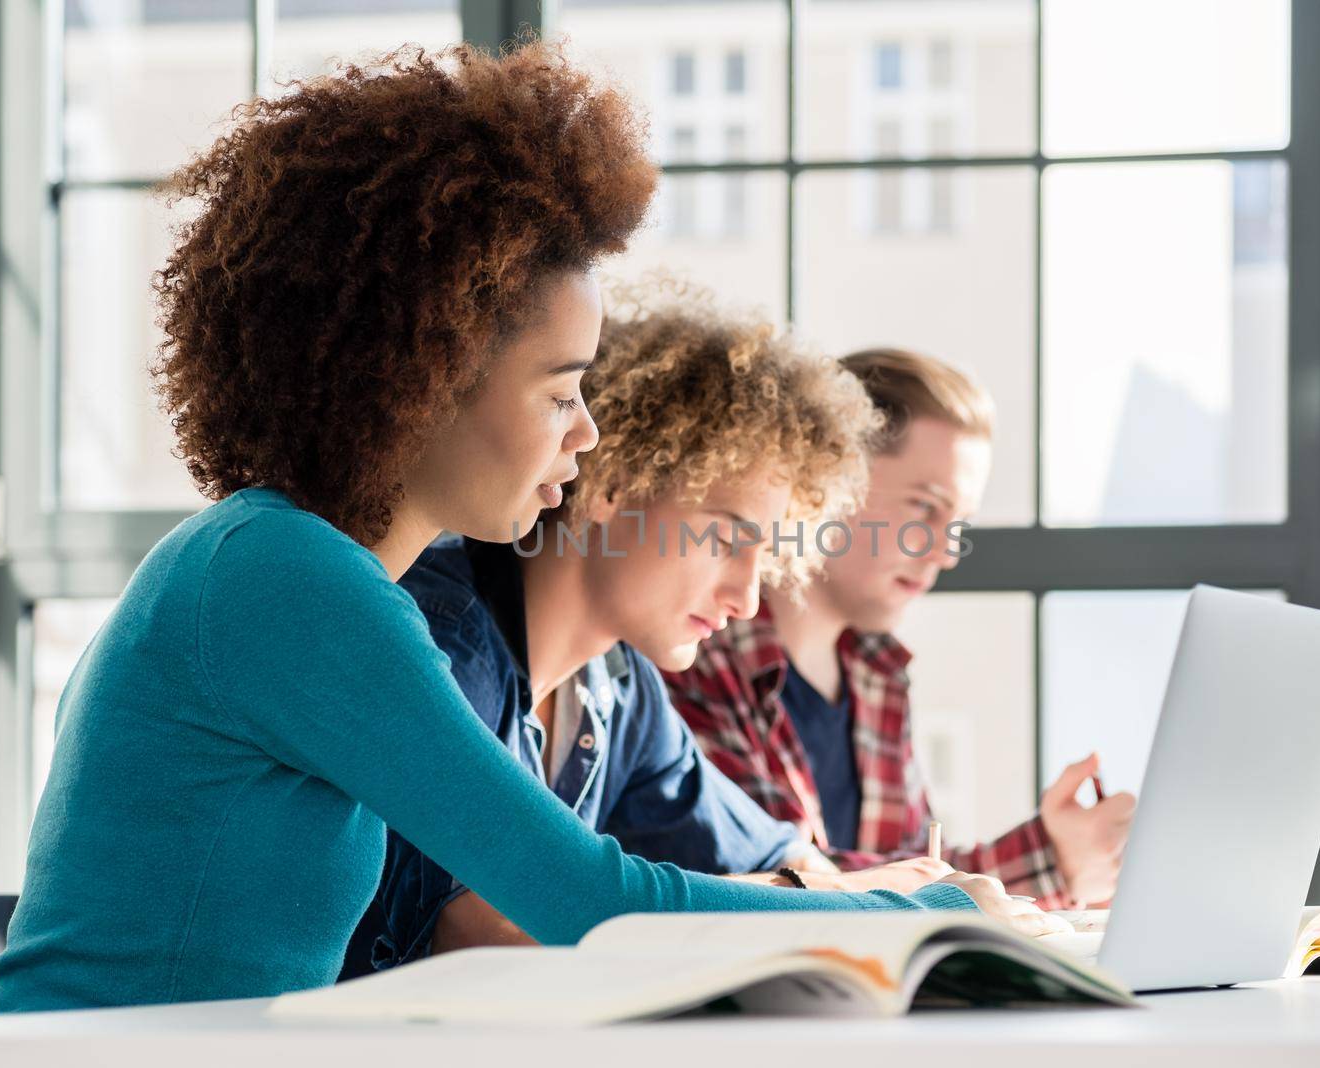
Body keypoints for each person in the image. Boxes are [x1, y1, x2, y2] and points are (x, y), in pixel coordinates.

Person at [0, 47, 1045, 1014]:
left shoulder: (299, 568)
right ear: (422, 378)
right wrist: (922, 921)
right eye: (558, 392)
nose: (588, 433)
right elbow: (585, 897)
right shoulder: (287, 578)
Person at [356, 294, 961, 963]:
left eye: (769, 556)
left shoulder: (618, 688)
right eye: (727, 540)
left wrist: (824, 887)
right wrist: (833, 901)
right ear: (617, 483)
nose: (747, 598)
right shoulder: (442, 637)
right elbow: (487, 931)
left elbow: (783, 853)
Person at [665, 348, 1137, 910]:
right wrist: (1049, 864)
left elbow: (911, 869)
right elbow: (783, 885)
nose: (945, 551)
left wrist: (1061, 860)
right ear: (829, 480)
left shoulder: (877, 673)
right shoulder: (693, 652)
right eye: (924, 508)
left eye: (957, 523)